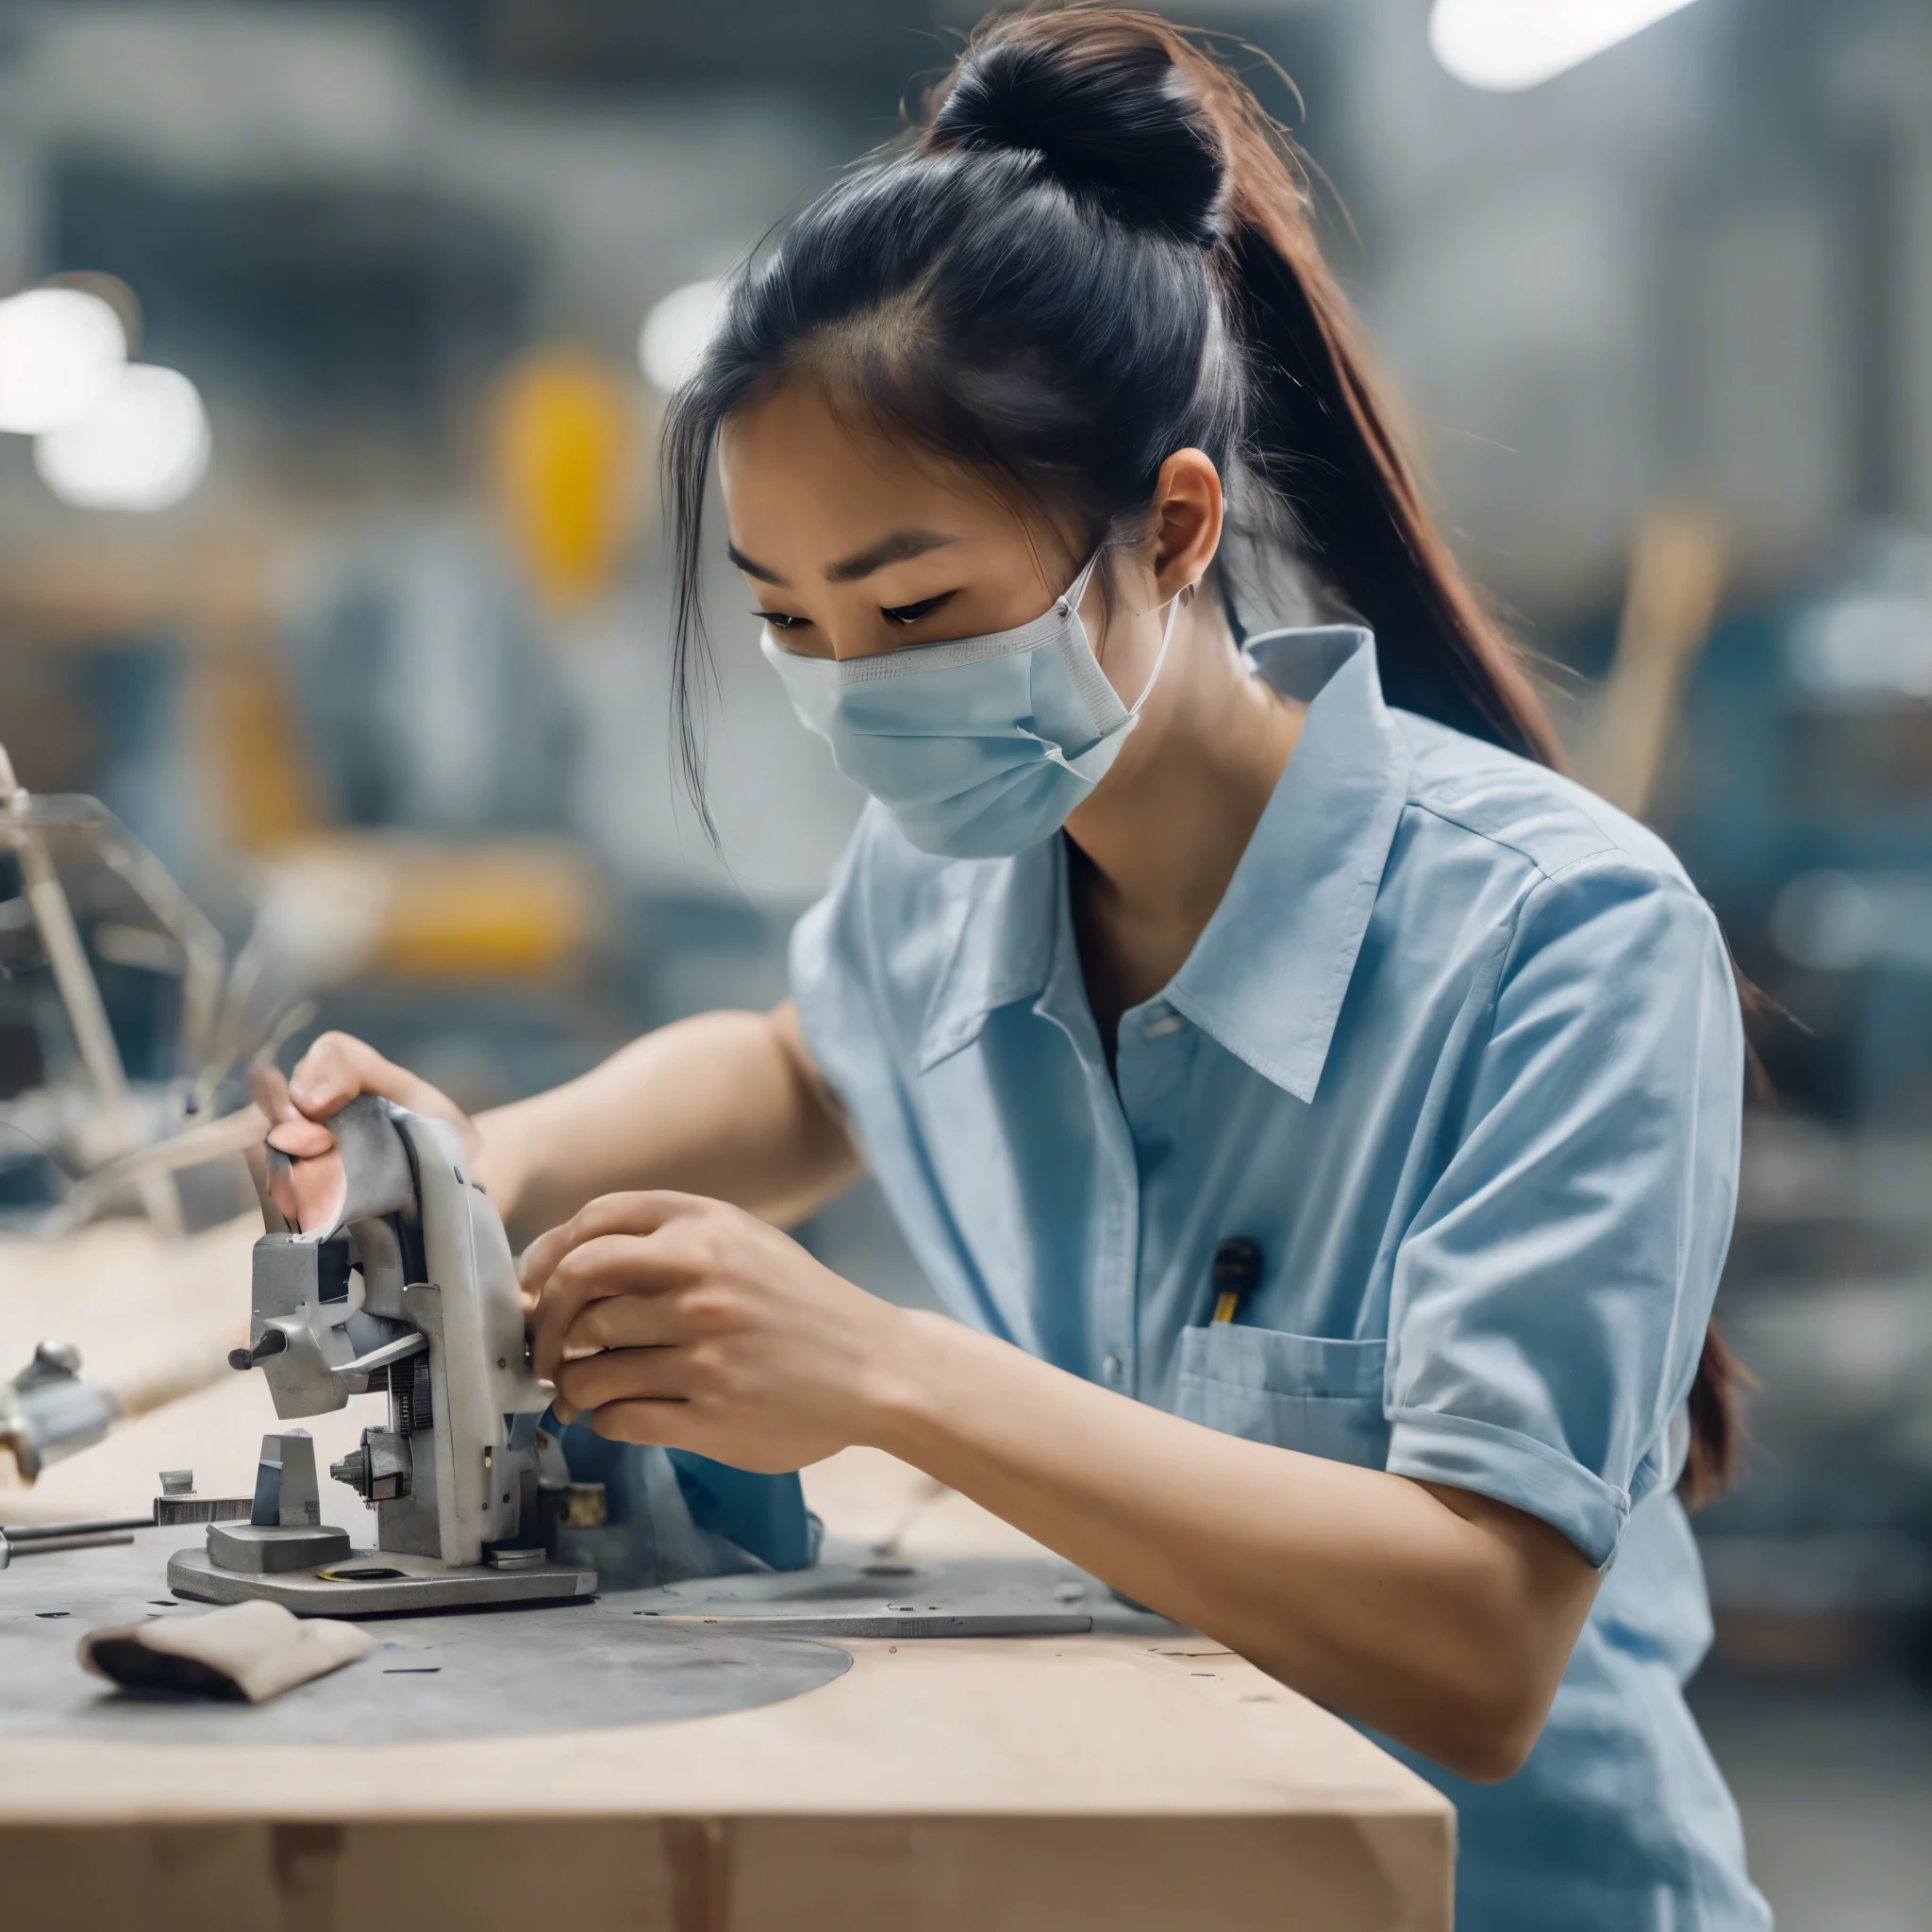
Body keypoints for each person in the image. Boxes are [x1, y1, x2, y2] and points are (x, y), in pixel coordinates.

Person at [275, 10, 1769, 1925]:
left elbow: (1480, 1643)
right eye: (794, 625)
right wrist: (473, 1157)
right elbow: (813, 1067)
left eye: (915, 608)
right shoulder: (957, 871)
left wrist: (885, 1372)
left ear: (1171, 526)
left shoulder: (1559, 947)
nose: (860, 690)